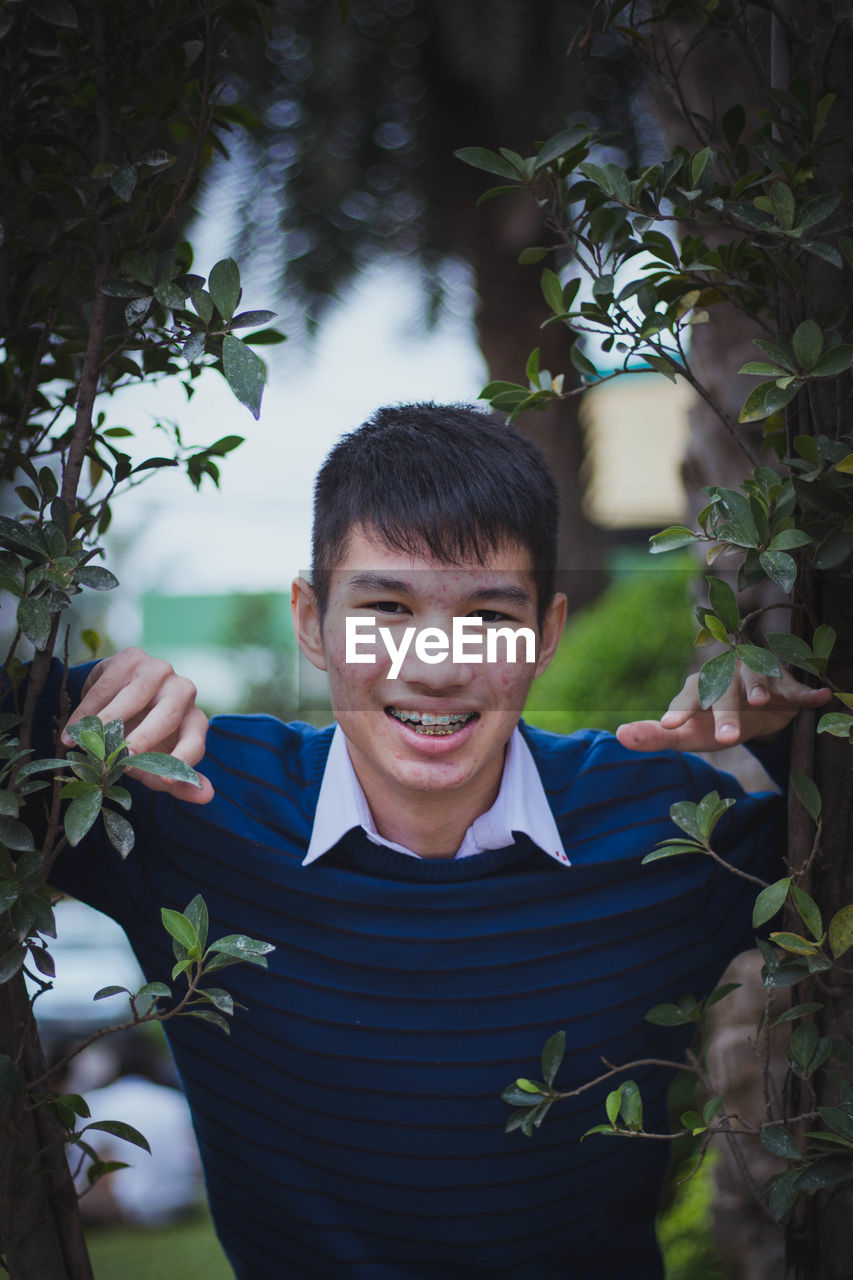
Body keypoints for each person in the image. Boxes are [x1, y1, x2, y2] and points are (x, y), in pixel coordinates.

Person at [35, 403, 830, 1279]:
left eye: (488, 616)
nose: (436, 664)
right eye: (385, 606)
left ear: (546, 635)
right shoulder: (181, 796)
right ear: (311, 620)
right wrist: (80, 698)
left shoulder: (667, 829)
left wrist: (795, 742)